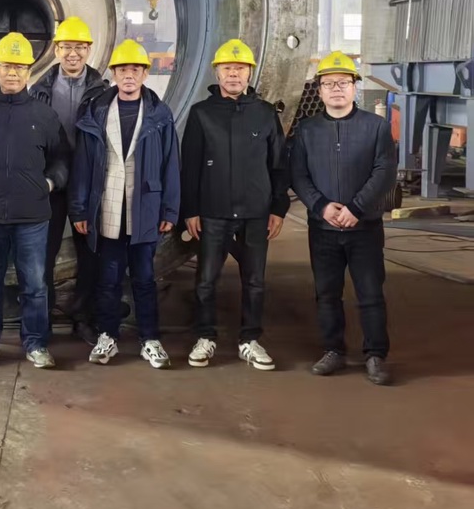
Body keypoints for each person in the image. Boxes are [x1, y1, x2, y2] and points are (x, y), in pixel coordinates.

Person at [0, 31, 70, 369]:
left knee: (34, 284)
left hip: (32, 216)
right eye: (7, 66)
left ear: (29, 72)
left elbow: (62, 158)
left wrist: (50, 183)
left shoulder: (44, 116)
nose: (12, 73)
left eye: (19, 67)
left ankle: (35, 344)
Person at [69, 39, 180, 369]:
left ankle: (150, 340)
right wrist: (79, 208)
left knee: (144, 279)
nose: (128, 75)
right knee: (108, 280)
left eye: (135, 69)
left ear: (145, 74)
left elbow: (171, 165)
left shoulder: (159, 115)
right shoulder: (97, 113)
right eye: (122, 70)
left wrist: (170, 209)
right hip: (108, 211)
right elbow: (83, 166)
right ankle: (107, 337)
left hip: (145, 210)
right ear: (113, 74)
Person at [290, 51, 397, 386]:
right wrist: (321, 206)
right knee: (326, 294)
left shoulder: (376, 127)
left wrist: (356, 208)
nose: (336, 88)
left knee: (370, 293)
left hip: (364, 228)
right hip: (323, 229)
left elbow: (384, 171)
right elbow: (298, 174)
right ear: (319, 90)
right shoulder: (307, 130)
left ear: (355, 87)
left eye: (343, 82)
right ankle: (333, 350)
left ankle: (375, 355)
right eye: (329, 83)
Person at [180, 39, 288, 371]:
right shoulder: (201, 113)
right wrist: (190, 210)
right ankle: (205, 337)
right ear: (217, 72)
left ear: (249, 73)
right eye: (228, 68)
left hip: (256, 212)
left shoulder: (266, 113)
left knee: (254, 281)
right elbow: (190, 166)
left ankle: (249, 340)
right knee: (206, 280)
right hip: (213, 211)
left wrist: (278, 208)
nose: (233, 74)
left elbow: (279, 165)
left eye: (240, 69)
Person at [29, 16, 107, 340]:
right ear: (56, 50)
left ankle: (83, 317)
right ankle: (42, 322)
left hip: (88, 184)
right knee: (43, 256)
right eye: (66, 47)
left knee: (90, 255)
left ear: (89, 50)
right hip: (51, 183)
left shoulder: (103, 92)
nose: (73, 54)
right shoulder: (39, 91)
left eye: (79, 47)